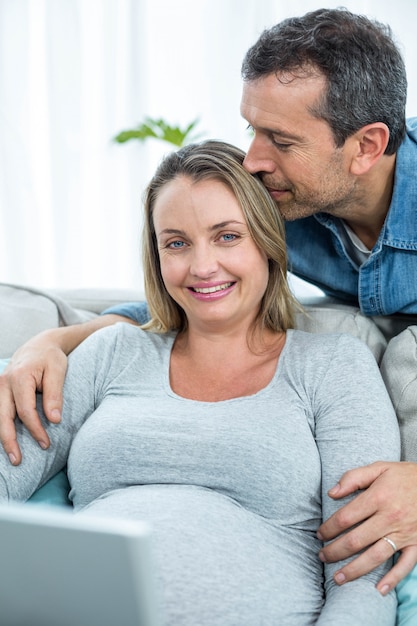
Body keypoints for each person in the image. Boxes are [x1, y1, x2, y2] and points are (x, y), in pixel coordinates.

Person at [0, 5, 416, 597]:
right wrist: (50, 341)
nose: (254, 160)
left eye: (281, 139)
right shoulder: (282, 195)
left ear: (366, 146)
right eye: (252, 129)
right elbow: (185, 301)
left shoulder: (329, 368)